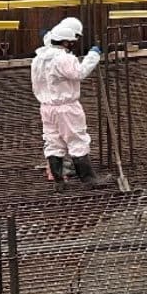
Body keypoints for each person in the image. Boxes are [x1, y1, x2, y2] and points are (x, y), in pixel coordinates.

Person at [30, 16, 106, 191]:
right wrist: (93, 56)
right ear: (66, 42)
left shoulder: (38, 58)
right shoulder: (63, 58)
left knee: (53, 141)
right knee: (77, 139)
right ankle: (88, 179)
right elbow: (79, 73)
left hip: (46, 107)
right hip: (66, 107)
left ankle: (59, 181)